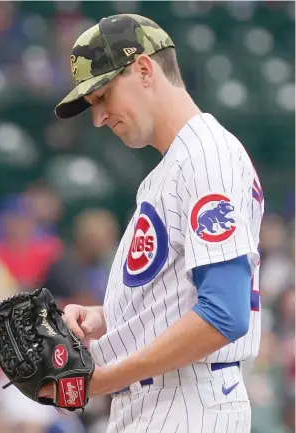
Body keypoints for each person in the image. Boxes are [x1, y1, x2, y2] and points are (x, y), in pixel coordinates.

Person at [40, 14, 264, 433]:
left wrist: (106, 378)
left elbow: (224, 313)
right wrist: (107, 318)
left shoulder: (206, 158)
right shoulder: (177, 166)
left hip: (186, 403)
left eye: (103, 96)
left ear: (144, 69)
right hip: (166, 401)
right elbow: (183, 296)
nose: (98, 117)